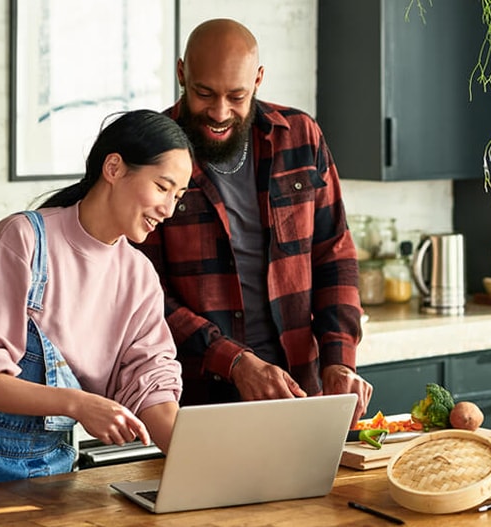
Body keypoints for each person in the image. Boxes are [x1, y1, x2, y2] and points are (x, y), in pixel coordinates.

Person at [0, 109, 193, 496]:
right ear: (114, 168)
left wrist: (201, 464)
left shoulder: (139, 277)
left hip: (51, 476)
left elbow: (151, 384)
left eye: (178, 196)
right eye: (162, 187)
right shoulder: (23, 240)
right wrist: (78, 405)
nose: (168, 209)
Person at [133, 19, 373, 421]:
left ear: (258, 79)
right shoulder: (152, 154)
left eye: (236, 95)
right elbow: (143, 293)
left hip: (299, 390)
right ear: (181, 74)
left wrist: (339, 360)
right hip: (195, 400)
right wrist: (234, 361)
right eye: (203, 93)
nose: (219, 112)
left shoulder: (301, 138)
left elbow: (334, 256)